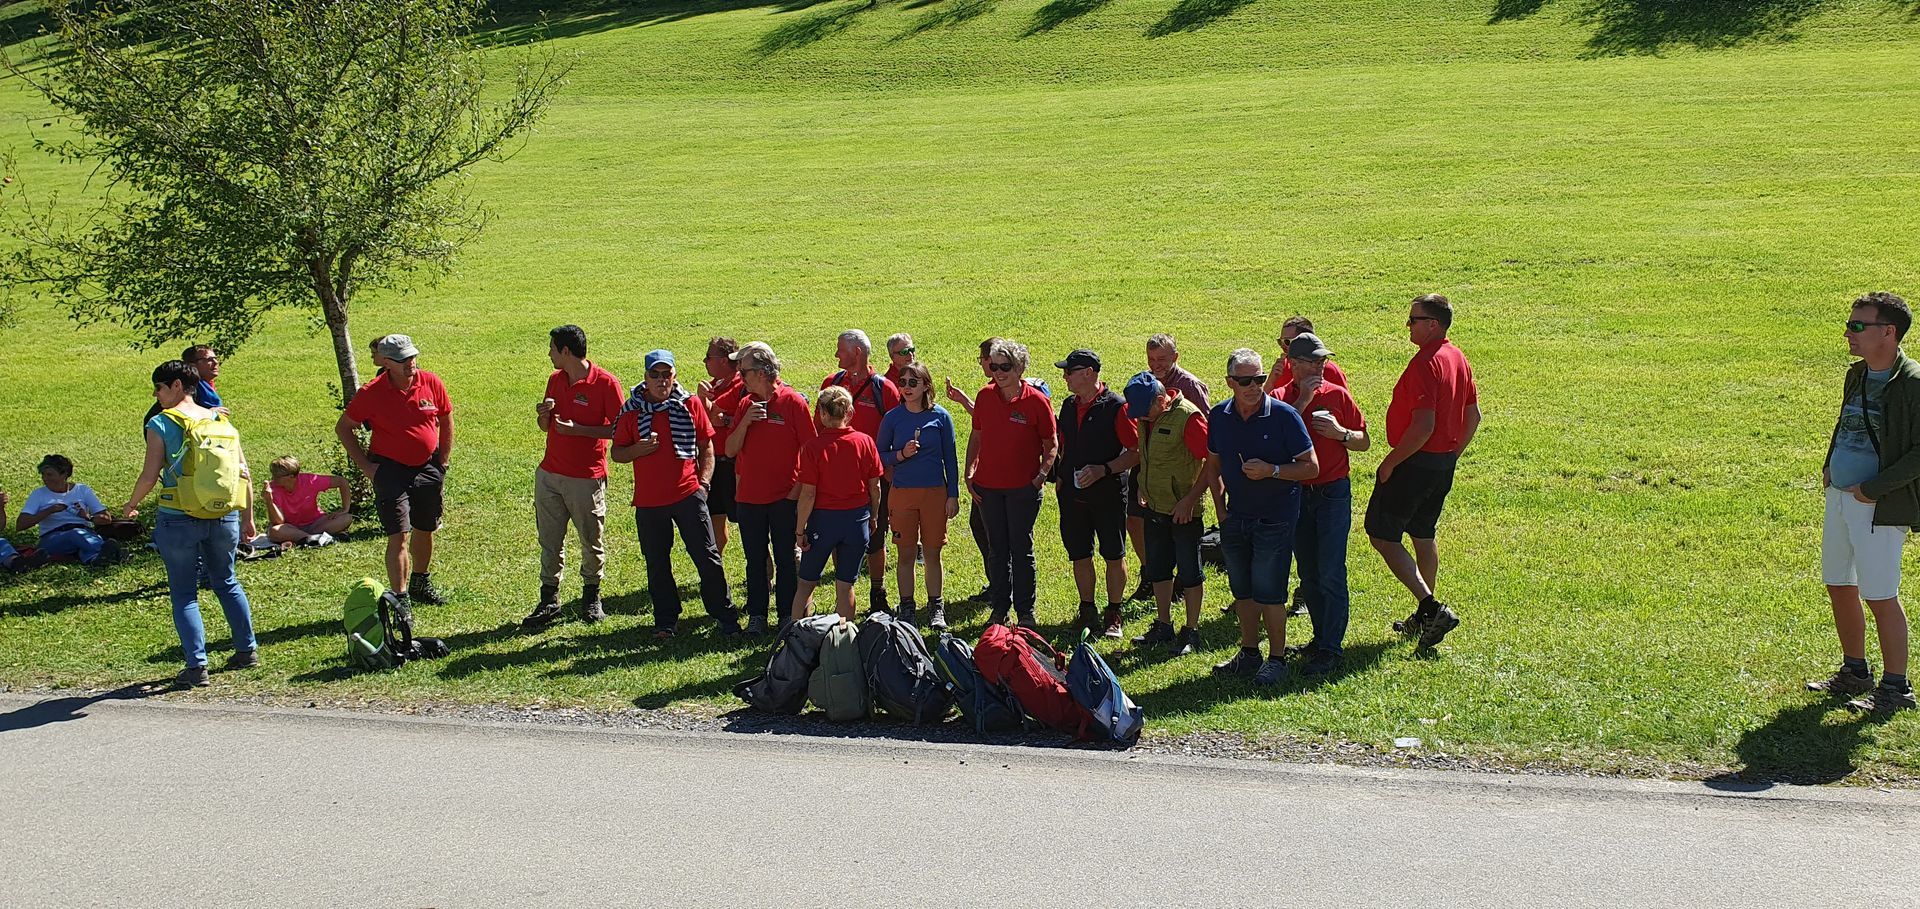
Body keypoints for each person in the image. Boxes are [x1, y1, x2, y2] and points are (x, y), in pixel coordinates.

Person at [1811, 292, 1919, 712]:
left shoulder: (1912, 383)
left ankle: (1896, 689)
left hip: (1878, 506)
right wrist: (1829, 466)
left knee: (1880, 595)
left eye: (1858, 326)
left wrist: (1872, 489)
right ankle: (1855, 670)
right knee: (1839, 584)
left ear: (1888, 332)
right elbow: (1846, 422)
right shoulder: (1857, 374)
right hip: (1840, 495)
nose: (1848, 333)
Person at [123, 359, 259, 687]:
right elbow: (244, 472)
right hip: (223, 513)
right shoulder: (221, 421)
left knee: (184, 592)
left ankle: (197, 666)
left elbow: (149, 474)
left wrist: (131, 504)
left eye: (159, 387)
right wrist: (248, 516)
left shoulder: (160, 423)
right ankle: (247, 650)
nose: (156, 394)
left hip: (178, 515)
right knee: (226, 582)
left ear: (178, 386)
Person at [1367, 294, 1481, 650]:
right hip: (1441, 462)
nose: (1408, 325)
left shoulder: (1426, 364)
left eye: (1414, 319)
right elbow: (1473, 416)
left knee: (1382, 535)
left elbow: (1423, 425)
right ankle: (1423, 612)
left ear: (1433, 324)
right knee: (1422, 533)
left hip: (1415, 463)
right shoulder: (1457, 357)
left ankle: (1431, 608)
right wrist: (1451, 455)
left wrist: (1390, 463)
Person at [1207, 349, 1318, 687]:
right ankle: (1249, 652)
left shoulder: (1284, 416)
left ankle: (1277, 659)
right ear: (1230, 383)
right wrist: (1221, 509)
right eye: (1245, 380)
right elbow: (1212, 466)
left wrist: (1271, 471)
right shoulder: (1219, 417)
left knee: (1270, 591)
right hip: (1236, 516)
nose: (1254, 386)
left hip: (1275, 517)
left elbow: (1311, 466)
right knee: (1242, 590)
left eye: (1258, 379)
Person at [613, 349, 738, 639]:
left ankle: (725, 616)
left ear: (674, 375)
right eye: (654, 375)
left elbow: (707, 445)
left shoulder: (689, 404)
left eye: (666, 374)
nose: (661, 380)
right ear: (645, 378)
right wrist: (637, 450)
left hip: (688, 494)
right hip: (649, 501)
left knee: (707, 558)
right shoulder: (631, 410)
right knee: (657, 564)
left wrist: (704, 483)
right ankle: (666, 621)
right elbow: (617, 452)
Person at [337, 334, 454, 608]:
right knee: (399, 534)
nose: (410, 363)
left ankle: (420, 582)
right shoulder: (372, 393)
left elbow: (446, 417)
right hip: (389, 470)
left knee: (426, 527)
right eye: (402, 360)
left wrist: (443, 461)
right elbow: (344, 427)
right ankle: (400, 598)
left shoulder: (431, 382)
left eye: (412, 356)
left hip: (428, 466)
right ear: (387, 362)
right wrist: (367, 467)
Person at [1279, 332, 1369, 676]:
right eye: (1313, 361)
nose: (1320, 366)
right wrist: (1302, 402)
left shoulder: (1337, 396)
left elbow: (1364, 441)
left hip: (1332, 492)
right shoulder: (1279, 400)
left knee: (1331, 570)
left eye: (1322, 361)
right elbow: (1274, 446)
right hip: (1296, 494)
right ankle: (1320, 639)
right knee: (1309, 572)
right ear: (1294, 365)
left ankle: (1331, 647)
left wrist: (1341, 434)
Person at [525, 325, 624, 628]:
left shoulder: (606, 384)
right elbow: (547, 426)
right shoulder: (555, 380)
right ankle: (549, 599)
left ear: (566, 351)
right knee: (549, 541)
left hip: (586, 477)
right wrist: (544, 416)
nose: (549, 354)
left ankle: (591, 596)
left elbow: (621, 430)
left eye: (553, 348)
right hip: (550, 474)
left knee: (590, 539)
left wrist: (579, 430)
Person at [948, 337, 1051, 604]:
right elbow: (977, 435)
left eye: (1004, 367)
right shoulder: (984, 396)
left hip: (1023, 489)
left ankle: (1026, 611)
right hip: (988, 488)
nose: (998, 373)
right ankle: (1000, 606)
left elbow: (1051, 443)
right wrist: (969, 472)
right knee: (997, 550)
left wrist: (1040, 476)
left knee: (1021, 550)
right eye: (993, 367)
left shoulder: (1037, 401)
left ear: (1019, 368)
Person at [727, 342, 816, 634]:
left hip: (783, 498)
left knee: (786, 559)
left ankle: (787, 617)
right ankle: (757, 616)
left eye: (744, 372)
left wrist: (796, 491)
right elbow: (729, 450)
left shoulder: (792, 403)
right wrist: (745, 423)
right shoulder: (744, 404)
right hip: (749, 499)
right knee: (754, 560)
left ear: (764, 372)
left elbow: (811, 451)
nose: (740, 377)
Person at [1124, 372, 1213, 656]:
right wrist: (1141, 485)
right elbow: (1145, 455)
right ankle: (1164, 624)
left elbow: (1211, 462)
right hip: (1154, 505)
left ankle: (1191, 630)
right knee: (1158, 569)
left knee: (1189, 571)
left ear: (1162, 400)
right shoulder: (1144, 415)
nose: (1142, 417)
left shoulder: (1189, 417)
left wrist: (1189, 500)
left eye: (1145, 411)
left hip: (1183, 511)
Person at [1053, 349, 1139, 638]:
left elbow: (1136, 453)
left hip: (1108, 495)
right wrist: (1061, 476)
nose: (1065, 376)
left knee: (1114, 554)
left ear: (1088, 373)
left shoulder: (1117, 407)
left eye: (1070, 371)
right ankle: (1087, 609)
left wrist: (1104, 469)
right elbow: (1062, 444)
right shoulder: (1067, 405)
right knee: (1080, 554)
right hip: (1073, 496)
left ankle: (1114, 612)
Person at [1130, 333, 1220, 602]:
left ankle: (1182, 585)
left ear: (1175, 358)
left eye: (1162, 359)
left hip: (1181, 480)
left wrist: (1193, 496)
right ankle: (1152, 575)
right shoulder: (1145, 388)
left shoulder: (1189, 388)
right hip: (1152, 472)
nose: (1155, 364)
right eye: (1151, 359)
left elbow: (1209, 445)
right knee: (1135, 523)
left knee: (1185, 552)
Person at [876, 359, 960, 629]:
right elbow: (878, 456)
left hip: (935, 494)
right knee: (906, 554)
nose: (907, 388)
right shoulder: (892, 418)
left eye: (913, 382)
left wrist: (953, 494)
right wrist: (901, 455)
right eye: (903, 383)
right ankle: (908, 606)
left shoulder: (941, 417)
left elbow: (951, 458)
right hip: (902, 495)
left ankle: (936, 607)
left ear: (926, 386)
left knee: (933, 553)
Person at [821, 329, 901, 611]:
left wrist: (889, 466)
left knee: (875, 537)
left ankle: (877, 592)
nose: (836, 355)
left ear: (857, 352)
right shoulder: (832, 384)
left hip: (873, 478)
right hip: (835, 479)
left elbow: (897, 429)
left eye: (840, 349)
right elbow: (819, 428)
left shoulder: (883, 389)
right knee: (837, 537)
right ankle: (846, 594)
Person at [792, 386, 883, 622]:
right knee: (845, 585)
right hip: (856, 521)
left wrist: (800, 530)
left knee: (805, 584)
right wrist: (873, 516)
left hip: (824, 521)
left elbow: (808, 495)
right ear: (849, 412)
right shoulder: (865, 442)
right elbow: (875, 487)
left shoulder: (813, 447)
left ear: (822, 412)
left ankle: (793, 637)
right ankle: (845, 642)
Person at [16, 455, 119, 566]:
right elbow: (21, 525)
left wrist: (88, 517)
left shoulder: (82, 490)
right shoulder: (38, 494)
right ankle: (111, 553)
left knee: (81, 538)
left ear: (64, 474)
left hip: (84, 532)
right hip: (52, 537)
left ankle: (96, 559)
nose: (45, 479)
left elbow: (106, 519)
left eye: (50, 475)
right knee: (75, 534)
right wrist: (49, 511)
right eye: (43, 475)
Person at [698, 337, 747, 557]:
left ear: (725, 361)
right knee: (715, 518)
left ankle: (765, 574)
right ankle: (715, 570)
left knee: (747, 522)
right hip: (714, 462)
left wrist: (705, 401)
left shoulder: (741, 385)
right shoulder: (716, 385)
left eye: (709, 357)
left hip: (734, 464)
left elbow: (712, 417)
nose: (705, 361)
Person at [264, 456, 353, 547]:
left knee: (346, 518)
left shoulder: (310, 481)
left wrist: (345, 508)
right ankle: (316, 538)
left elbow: (342, 482)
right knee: (274, 531)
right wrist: (269, 502)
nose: (273, 478)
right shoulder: (273, 488)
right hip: (290, 527)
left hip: (316, 523)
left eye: (277, 476)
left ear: (291, 477)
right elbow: (279, 522)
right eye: (273, 474)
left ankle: (307, 538)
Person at [1265, 316, 1349, 395]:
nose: (1282, 346)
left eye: (1287, 342)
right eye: (1280, 341)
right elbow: (1264, 405)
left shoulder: (1329, 370)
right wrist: (1271, 381)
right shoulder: (1282, 368)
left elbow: (1342, 403)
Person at [143, 344, 225, 422]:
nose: (216, 362)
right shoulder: (189, 389)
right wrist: (209, 414)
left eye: (215, 358)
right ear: (192, 365)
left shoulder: (205, 387)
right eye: (208, 359)